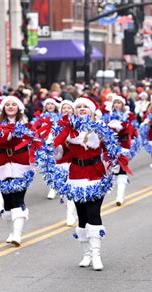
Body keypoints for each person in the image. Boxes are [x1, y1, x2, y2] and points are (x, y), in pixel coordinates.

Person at [56, 97, 124, 271]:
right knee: (82, 215)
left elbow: (111, 148)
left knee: (94, 212)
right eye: (78, 107)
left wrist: (114, 163)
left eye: (85, 106)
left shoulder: (100, 127)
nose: (81, 109)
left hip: (96, 174)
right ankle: (86, 254)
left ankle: (96, 254)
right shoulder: (69, 129)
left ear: (92, 110)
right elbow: (59, 150)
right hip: (76, 175)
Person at [0, 96, 32, 246]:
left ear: (19, 107)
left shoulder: (26, 124)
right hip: (2, 164)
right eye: (7, 104)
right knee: (7, 202)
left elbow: (34, 142)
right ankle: (12, 232)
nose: (10, 106)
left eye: (14, 104)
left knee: (18, 199)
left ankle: (18, 234)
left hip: (21, 164)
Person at [105, 95, 137, 206]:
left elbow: (132, 130)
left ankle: (120, 196)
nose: (117, 105)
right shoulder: (108, 116)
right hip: (110, 146)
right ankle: (109, 189)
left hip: (124, 145)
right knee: (113, 169)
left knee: (122, 169)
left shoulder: (129, 116)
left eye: (119, 103)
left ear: (123, 105)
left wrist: (122, 127)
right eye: (115, 102)